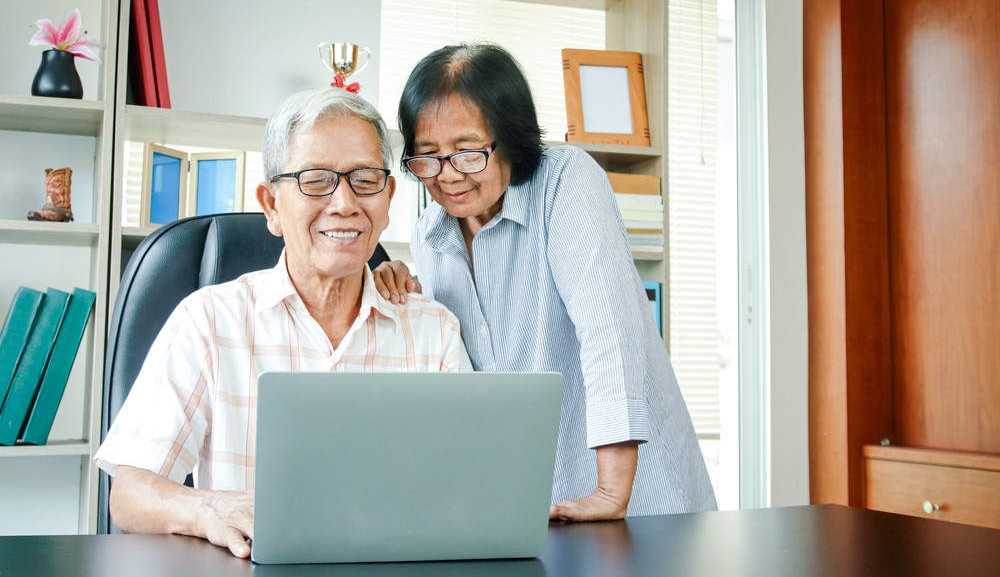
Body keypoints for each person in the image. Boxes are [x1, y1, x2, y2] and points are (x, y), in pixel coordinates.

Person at [95, 88, 472, 559]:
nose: (344, 203)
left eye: (365, 179)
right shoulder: (209, 320)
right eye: (316, 180)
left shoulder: (433, 330)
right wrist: (207, 509)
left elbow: (467, 490)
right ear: (271, 204)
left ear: (388, 196)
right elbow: (128, 496)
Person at [374, 42, 717, 521]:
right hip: (532, 501)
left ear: (509, 136)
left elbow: (609, 334)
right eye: (427, 156)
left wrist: (611, 491)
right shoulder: (429, 235)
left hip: (632, 492)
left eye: (468, 152)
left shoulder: (565, 182)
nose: (447, 176)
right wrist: (402, 284)